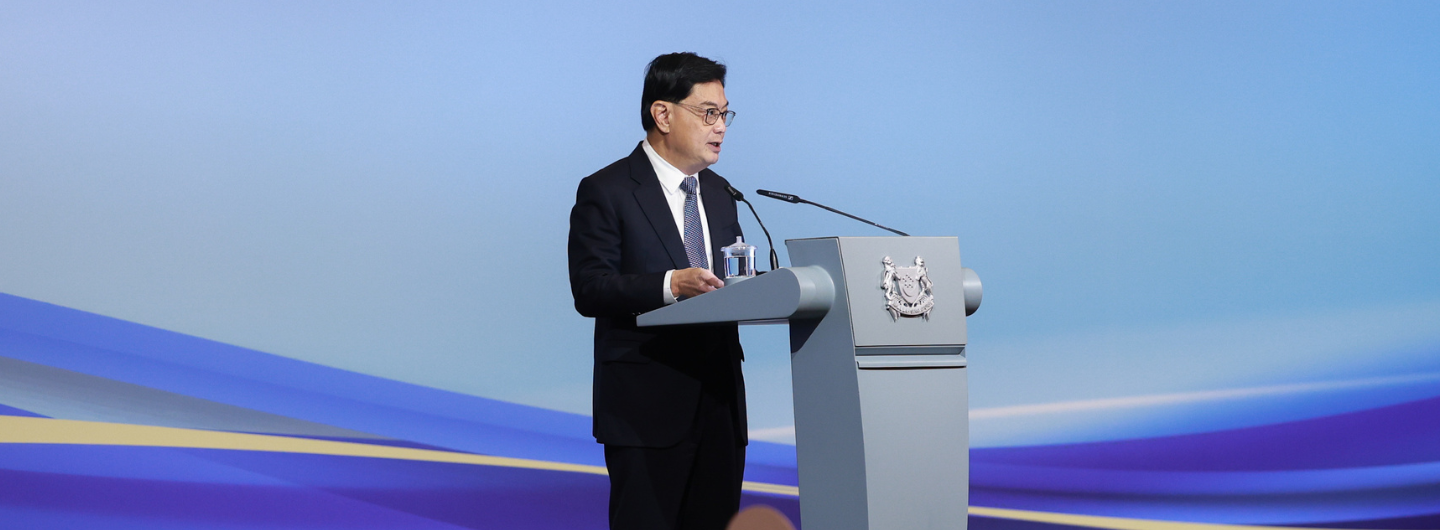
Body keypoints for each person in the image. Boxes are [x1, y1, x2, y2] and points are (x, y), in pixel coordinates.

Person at [567, 52, 747, 530]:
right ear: (662, 114)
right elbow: (590, 288)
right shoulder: (607, 191)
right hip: (645, 409)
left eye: (725, 114)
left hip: (719, 407)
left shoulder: (721, 193)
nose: (721, 127)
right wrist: (671, 284)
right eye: (708, 113)